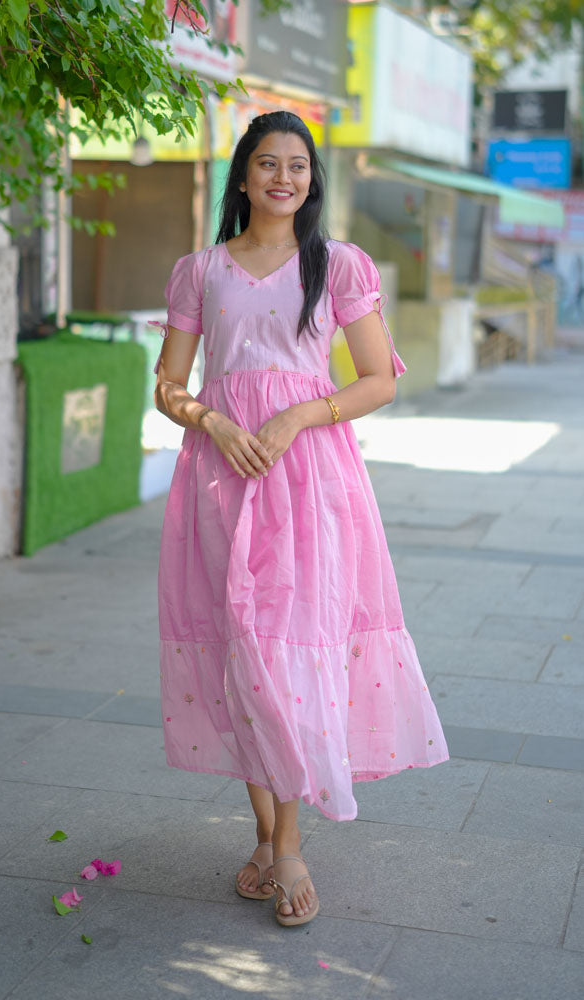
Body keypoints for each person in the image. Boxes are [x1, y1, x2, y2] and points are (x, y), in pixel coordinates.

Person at [154, 111, 449, 927]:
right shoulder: (199, 270)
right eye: (265, 164)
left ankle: (285, 849)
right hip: (220, 480)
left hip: (311, 482)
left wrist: (296, 418)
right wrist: (211, 421)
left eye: (297, 165)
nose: (283, 177)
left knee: (292, 658)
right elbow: (170, 384)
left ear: (311, 179)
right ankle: (266, 838)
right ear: (241, 177)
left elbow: (376, 380)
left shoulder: (337, 265)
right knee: (241, 656)